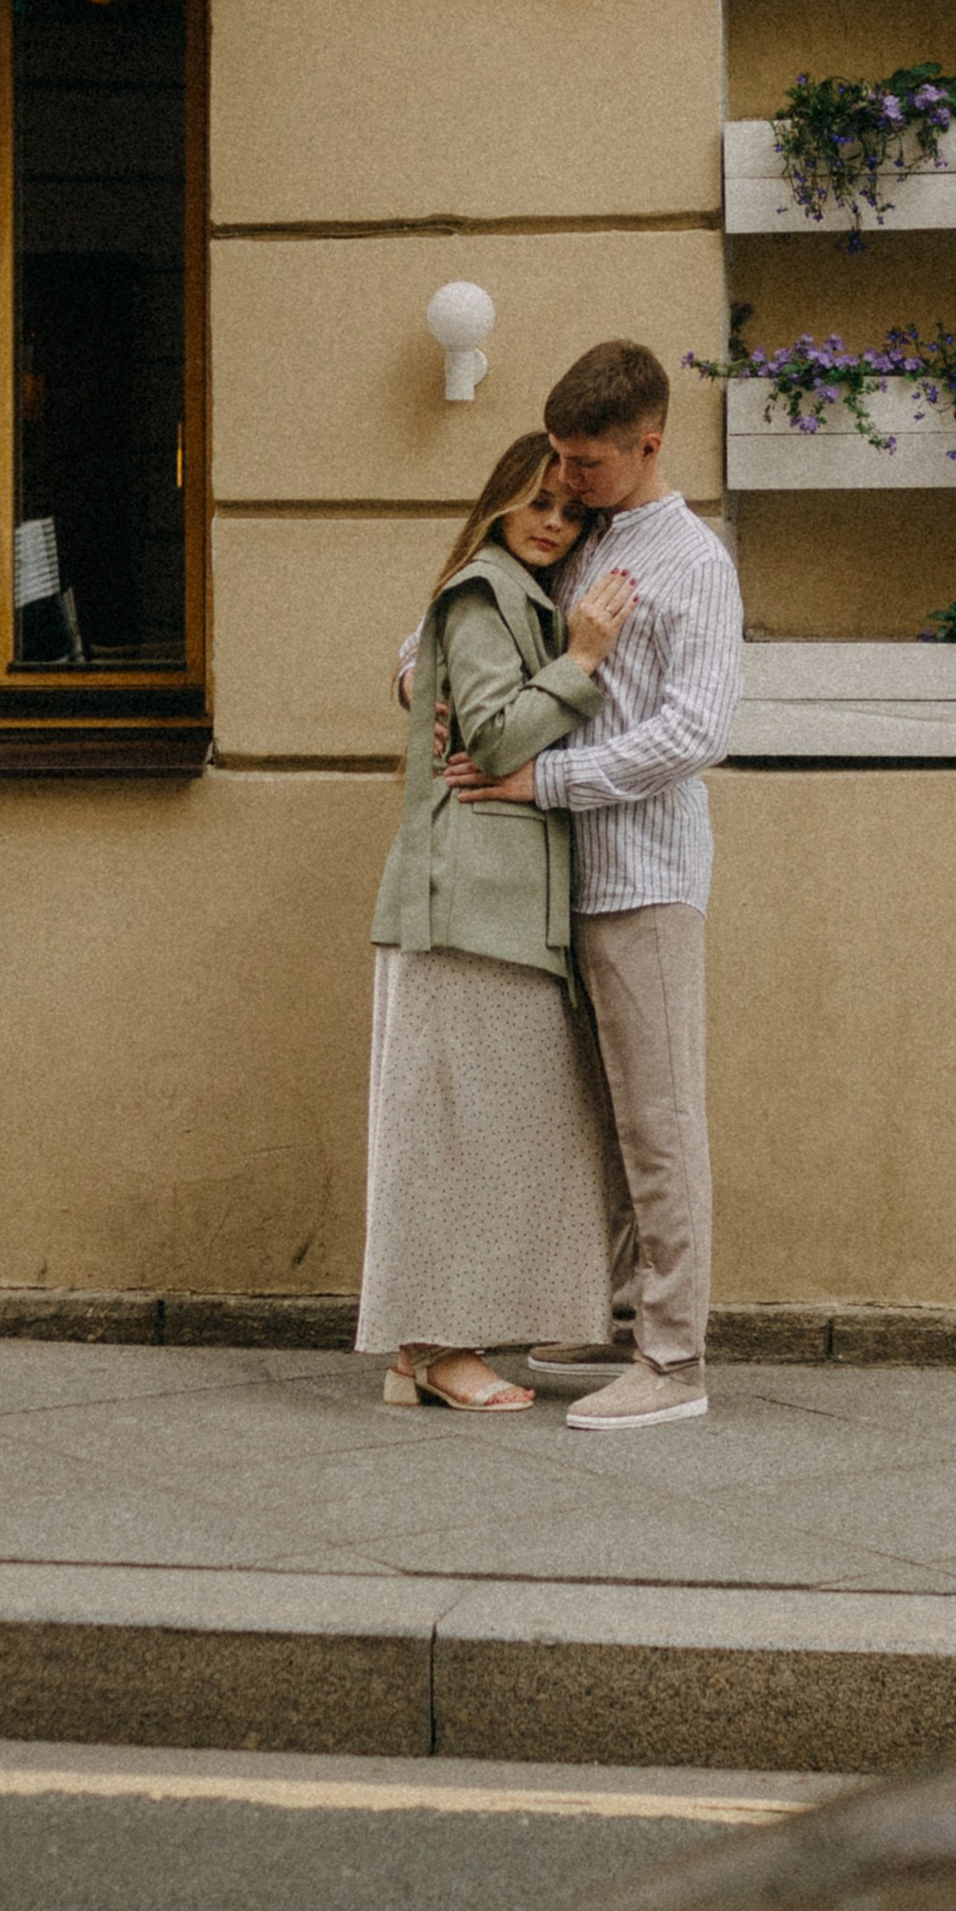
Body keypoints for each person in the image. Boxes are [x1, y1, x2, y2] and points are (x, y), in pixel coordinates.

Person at [444, 338, 741, 1431]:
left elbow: (695, 731)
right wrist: (421, 675)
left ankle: (673, 1361)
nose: (565, 480)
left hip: (643, 879)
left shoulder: (693, 562)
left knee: (660, 1125)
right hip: (554, 882)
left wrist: (548, 780)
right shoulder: (576, 535)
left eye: (586, 462)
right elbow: (480, 612)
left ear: (647, 445)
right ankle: (617, 1316)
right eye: (559, 458)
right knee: (598, 1122)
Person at [359, 432, 641, 1412]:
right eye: (538, 502)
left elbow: (441, 679)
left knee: (481, 1137)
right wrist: (582, 662)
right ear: (499, 501)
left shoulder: (517, 593)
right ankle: (438, 1348)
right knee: (456, 1139)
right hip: (467, 906)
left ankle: (423, 1353)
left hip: (496, 908)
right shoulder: (486, 592)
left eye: (571, 512)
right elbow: (490, 739)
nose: (553, 522)